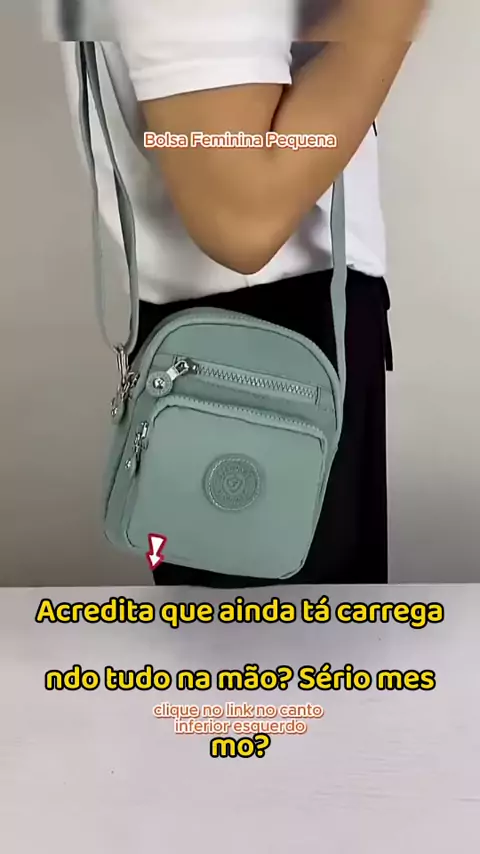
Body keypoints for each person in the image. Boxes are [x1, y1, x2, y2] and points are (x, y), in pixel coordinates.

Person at [59, 0, 427, 588]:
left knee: (258, 638)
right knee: (288, 642)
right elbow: (243, 222)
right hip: (275, 349)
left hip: (242, 337)